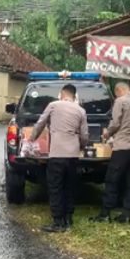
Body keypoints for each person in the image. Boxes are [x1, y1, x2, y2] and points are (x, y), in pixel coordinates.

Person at [30, 84, 88, 232]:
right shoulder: (81, 110)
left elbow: (40, 124)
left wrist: (32, 139)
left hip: (57, 154)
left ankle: (57, 222)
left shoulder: (53, 105)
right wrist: (80, 146)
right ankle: (68, 219)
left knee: (55, 187)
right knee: (70, 187)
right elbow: (84, 135)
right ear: (74, 96)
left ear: (62, 94)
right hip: (72, 156)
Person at [91, 82, 130, 224]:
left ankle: (105, 213)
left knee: (112, 180)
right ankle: (126, 214)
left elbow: (115, 123)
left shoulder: (120, 102)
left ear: (119, 90)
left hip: (122, 147)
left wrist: (107, 134)